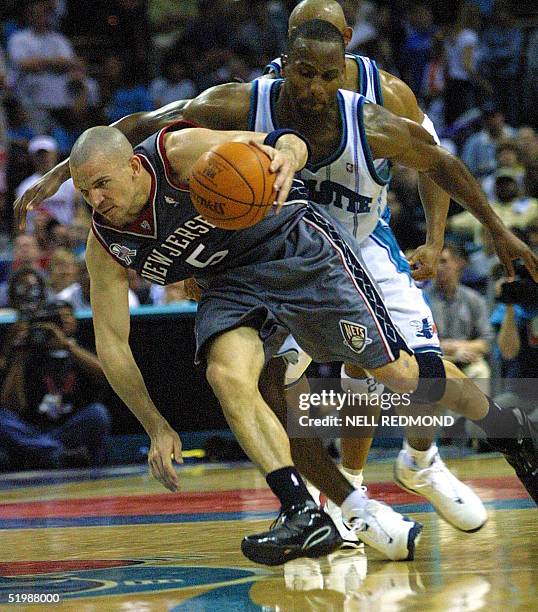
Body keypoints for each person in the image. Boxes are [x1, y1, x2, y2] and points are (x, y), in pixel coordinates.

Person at [13, 20, 538, 548]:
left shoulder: (201, 150)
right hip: (232, 279)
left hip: (299, 245)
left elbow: (423, 161)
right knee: (236, 377)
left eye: (103, 185)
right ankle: (310, 511)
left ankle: (492, 428)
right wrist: (155, 425)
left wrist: (487, 232)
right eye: (88, 191)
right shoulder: (113, 232)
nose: (96, 200)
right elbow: (113, 343)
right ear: (285, 64)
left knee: (397, 375)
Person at [262, 2, 486, 539]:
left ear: (344, 39)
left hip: (366, 243)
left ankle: (419, 460)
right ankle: (338, 492)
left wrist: (434, 239)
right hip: (294, 253)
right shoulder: (261, 96)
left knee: (417, 375)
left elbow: (434, 160)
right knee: (274, 383)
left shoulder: (385, 91)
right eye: (296, 38)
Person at [0, 267, 111, 469]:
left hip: (68, 428)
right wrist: (20, 356)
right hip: (31, 429)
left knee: (98, 414)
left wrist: (67, 345)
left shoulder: (79, 348)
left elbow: (106, 376)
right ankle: (56, 453)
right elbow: (9, 406)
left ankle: (46, 453)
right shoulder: (26, 348)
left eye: (63, 320)